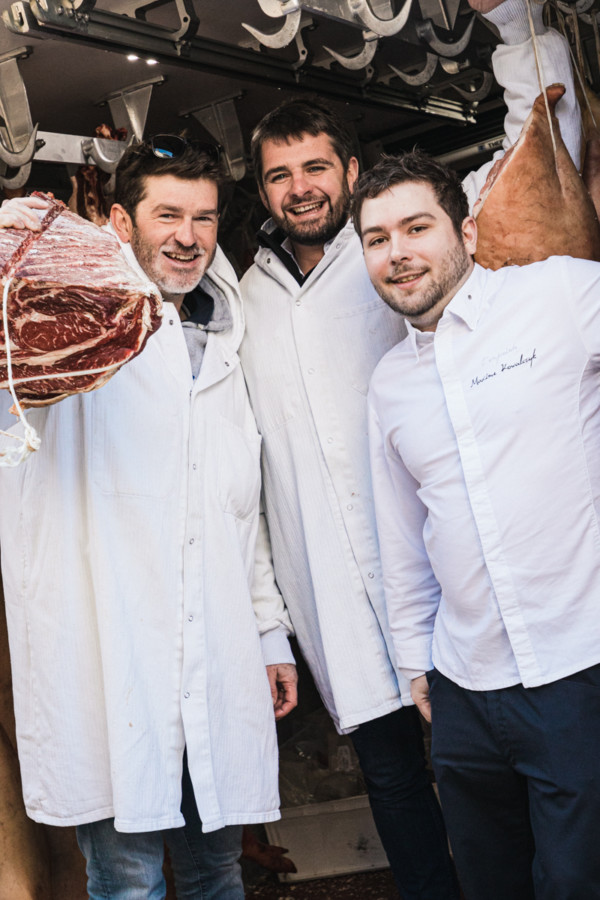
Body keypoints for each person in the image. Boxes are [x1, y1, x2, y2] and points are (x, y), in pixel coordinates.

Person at [238, 1, 581, 897]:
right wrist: (272, 617)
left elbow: (531, 148)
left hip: (464, 595)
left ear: (349, 174)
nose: (301, 187)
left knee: (526, 804)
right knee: (397, 783)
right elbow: (243, 472)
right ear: (262, 190)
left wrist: (514, 28)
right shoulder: (244, 299)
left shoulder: (400, 254)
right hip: (343, 598)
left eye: (317, 166)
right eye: (280, 175)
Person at [0, 137, 297, 900]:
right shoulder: (65, 332)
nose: (187, 236)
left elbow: (242, 507)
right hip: (111, 656)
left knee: (216, 872)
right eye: (167, 214)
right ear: (121, 221)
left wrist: (268, 635)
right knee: (128, 880)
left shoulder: (228, 337)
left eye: (203, 217)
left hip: (218, 649)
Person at [360, 148, 600, 899]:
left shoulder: (557, 296)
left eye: (415, 227)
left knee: (573, 882)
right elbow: (401, 538)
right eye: (375, 238)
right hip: (462, 686)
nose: (397, 253)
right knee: (490, 884)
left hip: (575, 666)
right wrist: (413, 663)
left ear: (464, 231)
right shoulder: (389, 384)